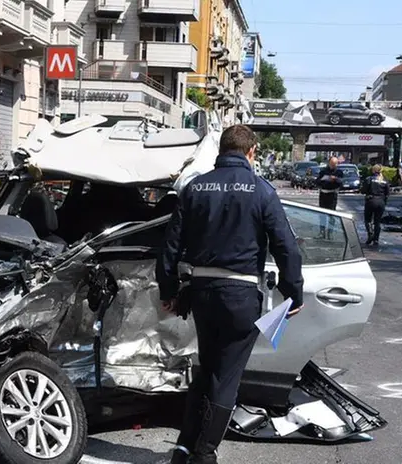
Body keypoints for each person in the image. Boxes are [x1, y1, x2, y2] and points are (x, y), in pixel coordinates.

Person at [156, 125, 304, 464]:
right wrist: (293, 292)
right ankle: (204, 454)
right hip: (241, 294)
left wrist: (168, 289)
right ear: (251, 152)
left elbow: (171, 246)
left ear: (222, 151)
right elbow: (286, 247)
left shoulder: (195, 187)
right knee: (227, 376)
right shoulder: (261, 190)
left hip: (202, 292)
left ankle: (184, 448)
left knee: (207, 369)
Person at [361, 164, 390, 246]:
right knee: (377, 222)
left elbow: (363, 190)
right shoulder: (385, 180)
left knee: (368, 220)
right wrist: (384, 201)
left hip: (371, 201)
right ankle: (376, 239)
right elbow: (387, 193)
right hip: (381, 202)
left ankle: (370, 234)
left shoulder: (369, 179)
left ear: (373, 170)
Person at [315, 156, 344, 239]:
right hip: (323, 194)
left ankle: (330, 233)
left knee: (332, 215)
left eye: (335, 164)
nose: (333, 166)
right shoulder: (323, 171)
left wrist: (335, 179)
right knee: (322, 214)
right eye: (332, 164)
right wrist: (324, 180)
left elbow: (341, 183)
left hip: (332, 194)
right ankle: (322, 232)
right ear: (329, 163)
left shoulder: (339, 172)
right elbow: (317, 182)